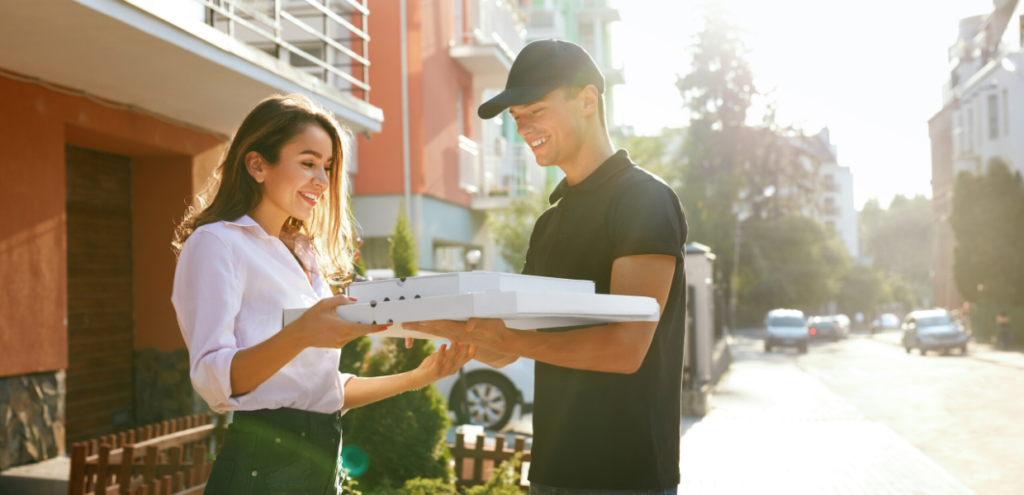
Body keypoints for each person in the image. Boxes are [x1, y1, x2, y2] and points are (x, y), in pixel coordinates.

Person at [407, 40, 687, 493]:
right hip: (552, 473)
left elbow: (626, 349)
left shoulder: (643, 200)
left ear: (588, 101)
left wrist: (506, 336)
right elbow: (512, 346)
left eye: (536, 110)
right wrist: (445, 326)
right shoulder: (550, 222)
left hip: (627, 475)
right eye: (518, 118)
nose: (525, 128)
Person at [171, 95, 475, 495]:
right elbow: (213, 380)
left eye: (328, 167)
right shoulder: (216, 244)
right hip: (263, 471)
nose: (322, 180)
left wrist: (421, 377)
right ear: (258, 165)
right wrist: (303, 333)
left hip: (322, 463)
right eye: (308, 162)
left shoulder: (303, 253)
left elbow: (324, 391)